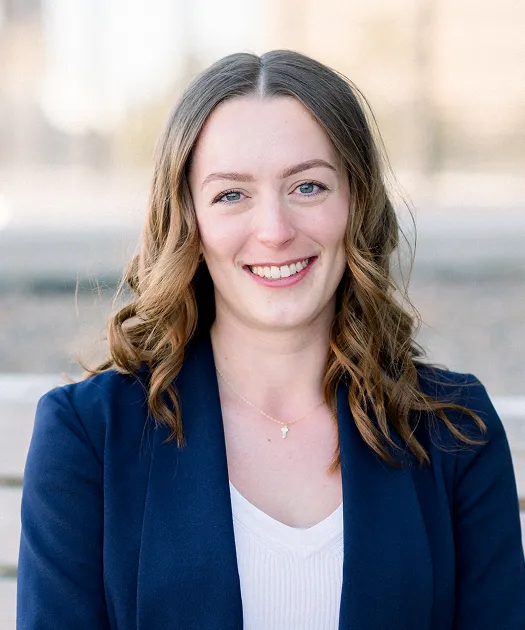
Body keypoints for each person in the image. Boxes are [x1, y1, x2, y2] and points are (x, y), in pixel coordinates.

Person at [17, 50, 525, 630]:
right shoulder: (88, 436)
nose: (276, 230)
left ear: (356, 204)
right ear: (188, 219)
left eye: (308, 186)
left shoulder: (454, 430)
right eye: (231, 194)